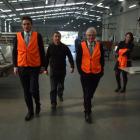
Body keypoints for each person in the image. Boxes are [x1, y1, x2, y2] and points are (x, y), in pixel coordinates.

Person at [12, 16, 46, 121]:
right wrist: (15, 66)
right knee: (26, 91)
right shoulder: (17, 36)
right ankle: (30, 111)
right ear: (22, 26)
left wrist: (43, 66)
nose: (26, 26)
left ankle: (37, 103)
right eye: (24, 24)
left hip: (34, 67)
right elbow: (15, 52)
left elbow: (41, 51)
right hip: (22, 67)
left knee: (34, 89)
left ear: (31, 25)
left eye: (28, 24)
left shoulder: (37, 36)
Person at [76, 27, 104, 123]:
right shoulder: (81, 45)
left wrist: (101, 72)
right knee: (87, 94)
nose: (91, 37)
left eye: (93, 35)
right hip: (85, 73)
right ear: (86, 36)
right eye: (89, 35)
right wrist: (80, 71)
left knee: (90, 92)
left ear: (95, 36)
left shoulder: (99, 45)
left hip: (96, 73)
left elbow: (102, 59)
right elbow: (78, 60)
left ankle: (86, 101)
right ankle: (87, 112)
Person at [44, 31, 74, 109]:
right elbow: (46, 58)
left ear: (60, 38)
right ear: (53, 38)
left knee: (61, 86)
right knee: (53, 87)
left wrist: (72, 66)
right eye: (56, 36)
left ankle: (60, 94)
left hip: (62, 70)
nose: (57, 38)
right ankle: (53, 102)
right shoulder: (50, 47)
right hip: (53, 70)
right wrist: (45, 69)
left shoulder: (64, 47)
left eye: (58, 36)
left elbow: (70, 56)